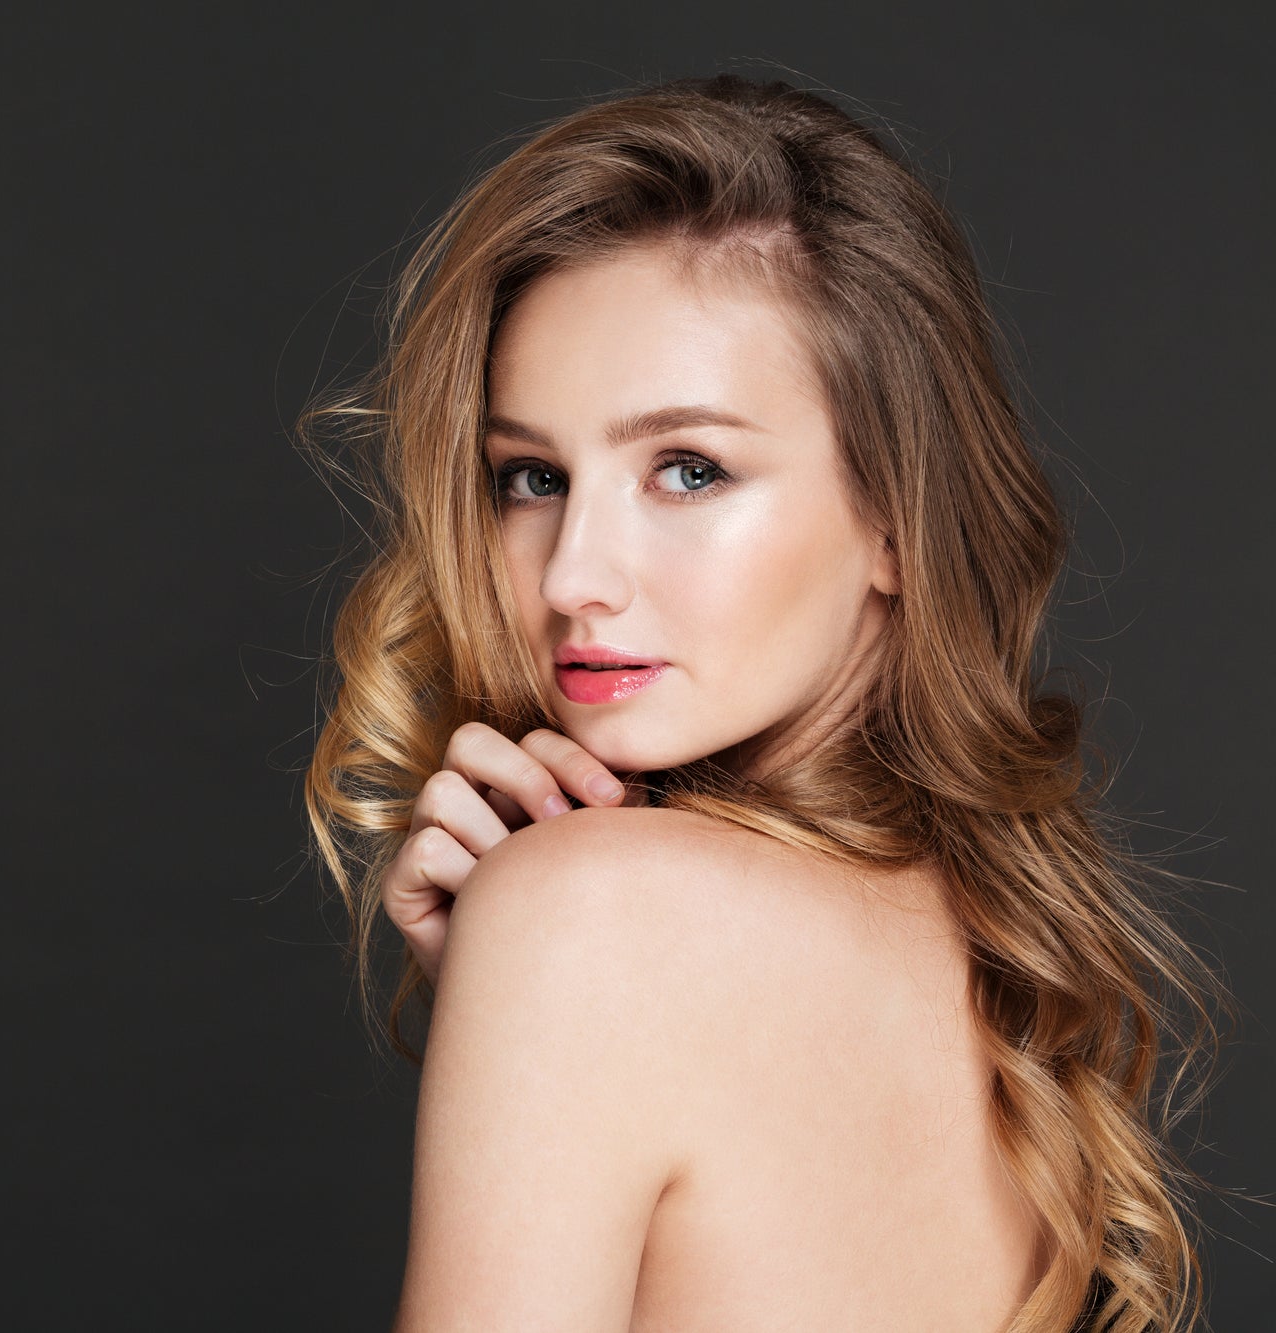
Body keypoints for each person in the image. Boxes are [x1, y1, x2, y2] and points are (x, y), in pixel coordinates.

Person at [298, 74, 1235, 1331]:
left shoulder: (588, 914)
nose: (573, 574)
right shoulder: (979, 954)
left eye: (686, 469)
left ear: (894, 514)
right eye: (528, 476)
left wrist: (541, 965)